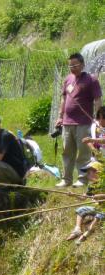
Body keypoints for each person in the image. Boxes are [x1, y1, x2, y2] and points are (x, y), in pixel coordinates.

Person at [55, 53, 102, 188]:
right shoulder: (67, 79)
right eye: (70, 65)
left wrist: (98, 119)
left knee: (83, 152)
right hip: (67, 122)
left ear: (82, 65)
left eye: (75, 65)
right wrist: (60, 116)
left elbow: (97, 99)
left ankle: (82, 179)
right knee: (67, 152)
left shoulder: (91, 80)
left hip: (83, 123)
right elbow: (64, 99)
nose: (72, 68)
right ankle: (66, 179)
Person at [65, 159, 105, 243]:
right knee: (81, 210)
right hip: (98, 208)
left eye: (89, 173)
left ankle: (87, 233)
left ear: (97, 172)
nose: (87, 175)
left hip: (103, 210)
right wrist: (74, 195)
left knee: (99, 215)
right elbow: (83, 198)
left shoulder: (103, 183)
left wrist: (100, 196)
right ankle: (77, 229)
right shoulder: (92, 186)